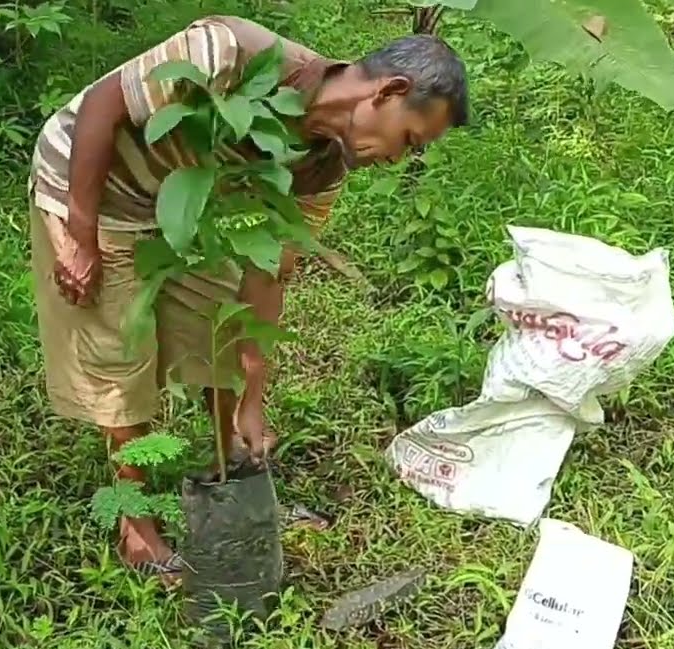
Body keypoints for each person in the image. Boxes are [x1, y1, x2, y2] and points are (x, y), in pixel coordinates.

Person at [28, 15, 469, 582]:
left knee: (218, 320)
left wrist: (253, 398)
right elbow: (101, 106)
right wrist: (82, 236)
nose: (400, 158)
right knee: (119, 346)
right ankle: (134, 521)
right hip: (94, 184)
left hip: (181, 205)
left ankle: (227, 468)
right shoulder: (228, 52)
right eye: (410, 140)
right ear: (389, 92)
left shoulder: (322, 166)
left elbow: (268, 270)